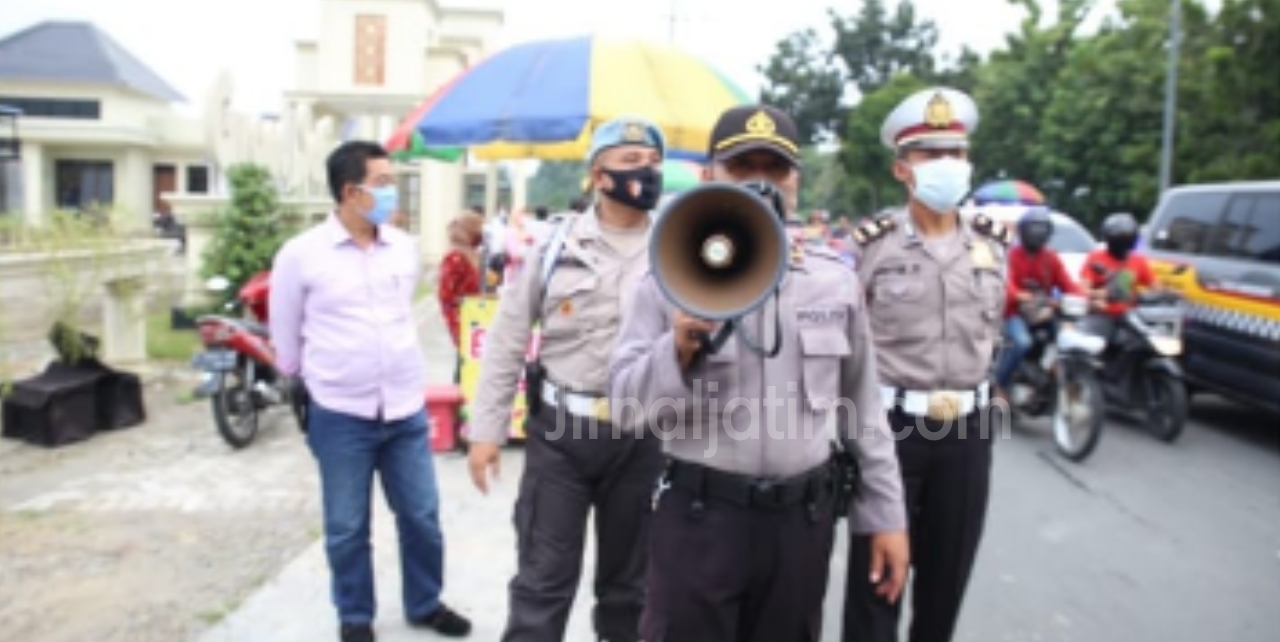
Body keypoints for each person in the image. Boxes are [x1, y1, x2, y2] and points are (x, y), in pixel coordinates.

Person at [610, 104, 910, 642]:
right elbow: (627, 409)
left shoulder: (832, 282)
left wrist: (886, 516)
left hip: (801, 526)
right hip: (700, 520)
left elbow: (864, 411)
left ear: (795, 181)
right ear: (709, 177)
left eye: (775, 169)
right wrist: (675, 347)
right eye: (743, 167)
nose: (762, 182)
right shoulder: (668, 277)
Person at [467, 117, 669, 642]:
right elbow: (509, 339)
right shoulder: (555, 247)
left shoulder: (677, 250)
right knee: (542, 583)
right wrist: (486, 431)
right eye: (630, 163)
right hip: (562, 438)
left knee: (631, 590)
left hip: (643, 437)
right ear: (599, 175)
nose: (646, 173)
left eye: (652, 163)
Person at [268, 141, 471, 642]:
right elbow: (285, 334)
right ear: (350, 192)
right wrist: (312, 384)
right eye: (381, 183)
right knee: (346, 527)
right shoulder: (301, 255)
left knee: (422, 516)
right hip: (340, 414)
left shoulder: (401, 247)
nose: (391, 192)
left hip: (404, 409)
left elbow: (401, 314)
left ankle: (425, 603)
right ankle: (355, 615)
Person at [844, 87, 1009, 642]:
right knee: (875, 588)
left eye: (956, 154)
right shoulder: (871, 248)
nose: (946, 165)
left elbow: (992, 335)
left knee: (945, 587)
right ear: (901, 169)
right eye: (929, 154)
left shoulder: (993, 245)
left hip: (967, 431)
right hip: (891, 431)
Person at [993, 207, 1085, 399]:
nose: (1037, 234)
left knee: (1067, 338)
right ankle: (999, 385)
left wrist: (1082, 296)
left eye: (1042, 229)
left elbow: (1068, 283)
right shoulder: (1011, 255)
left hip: (1043, 311)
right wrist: (1018, 295)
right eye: (1033, 229)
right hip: (1013, 313)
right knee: (1021, 342)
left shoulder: (1051, 258)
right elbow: (1005, 282)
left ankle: (1052, 373)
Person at [1077, 212, 1157, 340]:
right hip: (1102, 315)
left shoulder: (1138, 261)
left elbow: (1155, 288)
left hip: (1130, 316)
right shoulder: (1096, 258)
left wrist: (1166, 294)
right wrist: (1100, 295)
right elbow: (1081, 289)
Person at [438, 212, 486, 349]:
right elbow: (446, 298)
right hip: (463, 322)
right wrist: (457, 329)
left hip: (476, 319)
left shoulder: (473, 254)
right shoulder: (455, 257)